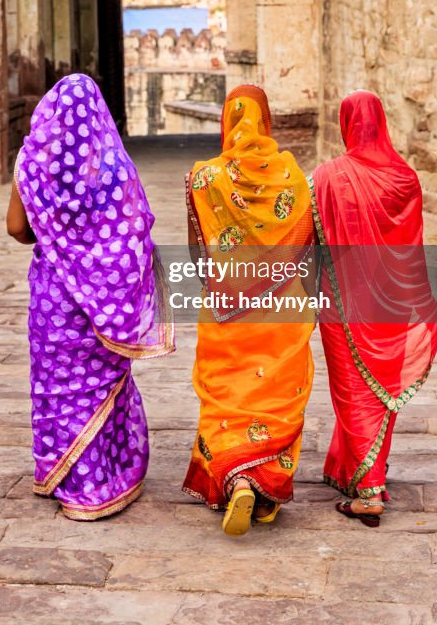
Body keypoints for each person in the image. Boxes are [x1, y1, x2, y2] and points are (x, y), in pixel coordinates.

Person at [6, 73, 174, 520]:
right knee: (101, 387)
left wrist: (58, 240)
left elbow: (16, 229)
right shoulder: (115, 168)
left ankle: (65, 478)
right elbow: (136, 231)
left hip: (54, 298)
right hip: (102, 303)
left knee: (59, 390)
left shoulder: (33, 163)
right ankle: (107, 481)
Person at [310, 90, 437, 528]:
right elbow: (411, 250)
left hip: (341, 303)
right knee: (379, 391)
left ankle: (369, 492)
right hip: (393, 306)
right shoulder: (406, 179)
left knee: (353, 391)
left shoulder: (327, 177)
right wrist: (427, 303)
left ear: (347, 124)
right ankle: (352, 468)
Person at [182, 84, 315, 536]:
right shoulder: (293, 176)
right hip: (284, 309)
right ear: (266, 121)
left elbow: (199, 255)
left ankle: (233, 477)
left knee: (227, 394)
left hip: (225, 308)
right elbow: (305, 247)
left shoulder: (204, 177)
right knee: (275, 395)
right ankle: (262, 482)